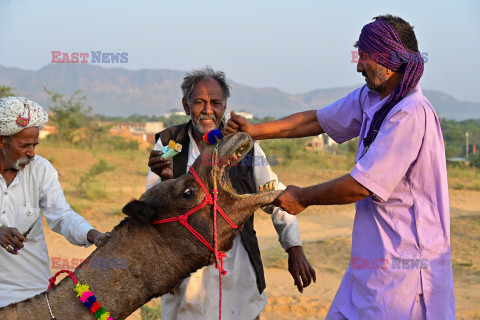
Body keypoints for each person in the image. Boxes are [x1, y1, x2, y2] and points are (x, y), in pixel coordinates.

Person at [225, 15, 454, 320]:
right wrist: (256, 131)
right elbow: (316, 120)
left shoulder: (409, 113)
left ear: (388, 59)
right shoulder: (373, 98)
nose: (359, 66)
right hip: (370, 267)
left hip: (406, 272)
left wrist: (302, 197)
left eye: (365, 58)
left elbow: (361, 185)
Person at [147, 67, 316, 320]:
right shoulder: (170, 144)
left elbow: (273, 193)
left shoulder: (244, 144)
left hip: (237, 270)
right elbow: (150, 208)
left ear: (224, 106)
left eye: (215, 102)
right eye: (199, 102)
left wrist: (294, 247)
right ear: (185, 105)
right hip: (186, 272)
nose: (207, 110)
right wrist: (168, 183)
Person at [0, 97, 111, 307]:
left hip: (31, 292)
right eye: (25, 145)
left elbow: (62, 216)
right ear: (2, 141)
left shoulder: (40, 169)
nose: (32, 153)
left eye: (35, 145)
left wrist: (93, 234)